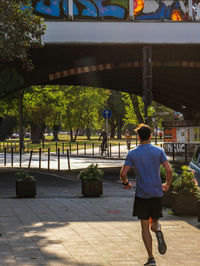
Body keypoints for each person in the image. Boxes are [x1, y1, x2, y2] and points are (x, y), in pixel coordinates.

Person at [120, 123, 172, 266]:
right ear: (150, 136)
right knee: (154, 224)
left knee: (144, 227)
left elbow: (123, 173)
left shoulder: (133, 153)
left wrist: (126, 184)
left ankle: (151, 258)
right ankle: (159, 231)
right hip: (156, 193)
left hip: (142, 195)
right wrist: (167, 185)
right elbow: (169, 170)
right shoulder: (159, 151)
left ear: (138, 137)